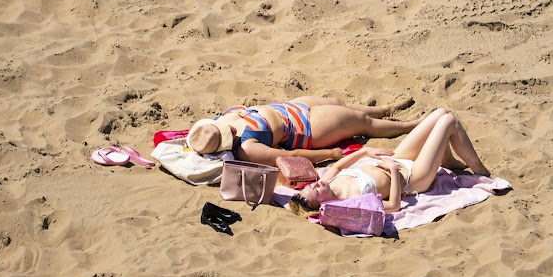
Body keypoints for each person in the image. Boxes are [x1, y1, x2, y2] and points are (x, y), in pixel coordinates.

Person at [289, 108, 491, 214]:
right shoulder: (351, 203)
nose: (318, 183)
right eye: (317, 190)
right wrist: (394, 171)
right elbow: (393, 205)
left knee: (440, 113)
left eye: (313, 185)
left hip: (398, 159)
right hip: (412, 177)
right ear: (324, 203)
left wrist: (365, 151)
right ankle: (480, 170)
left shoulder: (330, 183)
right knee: (449, 121)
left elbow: (337, 165)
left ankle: (446, 160)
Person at [187, 96, 420, 166]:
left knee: (337, 102)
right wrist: (331, 154)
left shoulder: (215, 123)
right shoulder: (247, 148)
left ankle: (384, 108)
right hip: (306, 127)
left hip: (287, 107)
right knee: (360, 122)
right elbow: (290, 157)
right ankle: (408, 127)